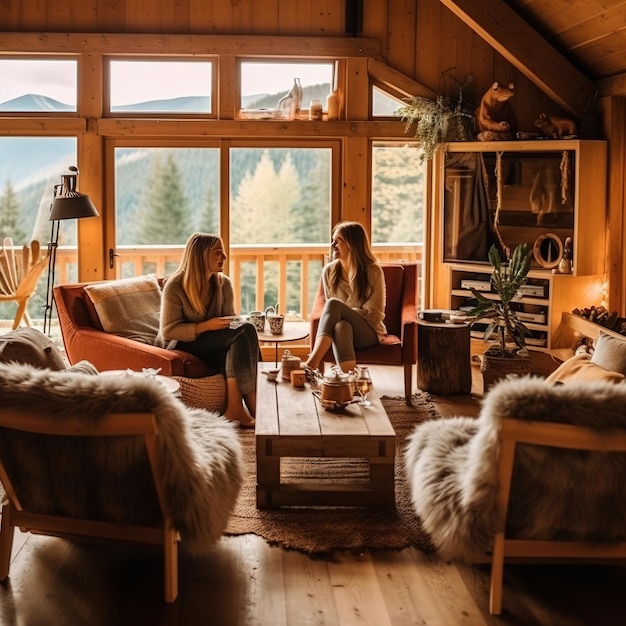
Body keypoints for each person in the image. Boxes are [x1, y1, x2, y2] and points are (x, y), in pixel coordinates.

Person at [160, 233, 258, 428]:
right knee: (245, 332)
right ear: (201, 256)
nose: (225, 257)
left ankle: (234, 410)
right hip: (185, 344)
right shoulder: (175, 286)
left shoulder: (223, 284)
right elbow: (168, 331)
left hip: (216, 344)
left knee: (244, 334)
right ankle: (255, 406)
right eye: (218, 253)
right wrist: (207, 325)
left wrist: (234, 321)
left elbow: (230, 322)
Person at [305, 221, 386, 374]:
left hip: (369, 331)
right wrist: (345, 315)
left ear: (352, 244)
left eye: (338, 241)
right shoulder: (328, 271)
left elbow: (374, 314)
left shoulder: (373, 271)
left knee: (334, 305)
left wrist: (344, 312)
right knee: (341, 326)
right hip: (343, 331)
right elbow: (336, 317)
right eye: (332, 241)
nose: (333, 245)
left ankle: (311, 364)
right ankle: (349, 382)